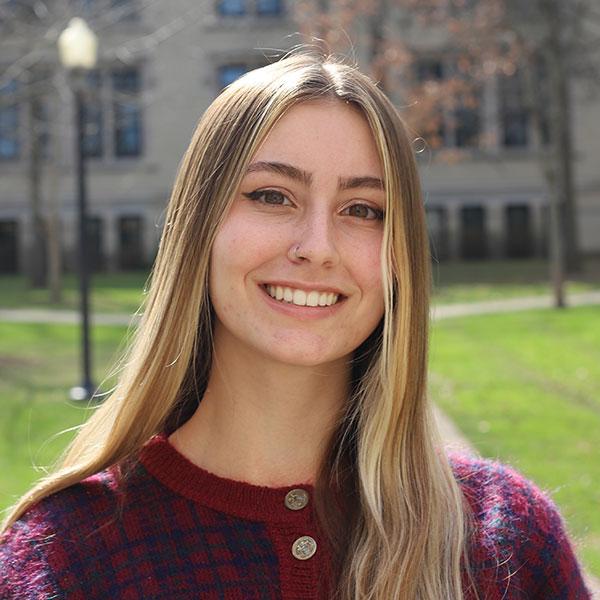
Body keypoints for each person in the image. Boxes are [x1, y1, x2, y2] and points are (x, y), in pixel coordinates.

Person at [0, 53, 591, 600]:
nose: (318, 247)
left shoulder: (507, 541)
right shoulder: (63, 556)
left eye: (362, 209)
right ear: (199, 228)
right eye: (272, 196)